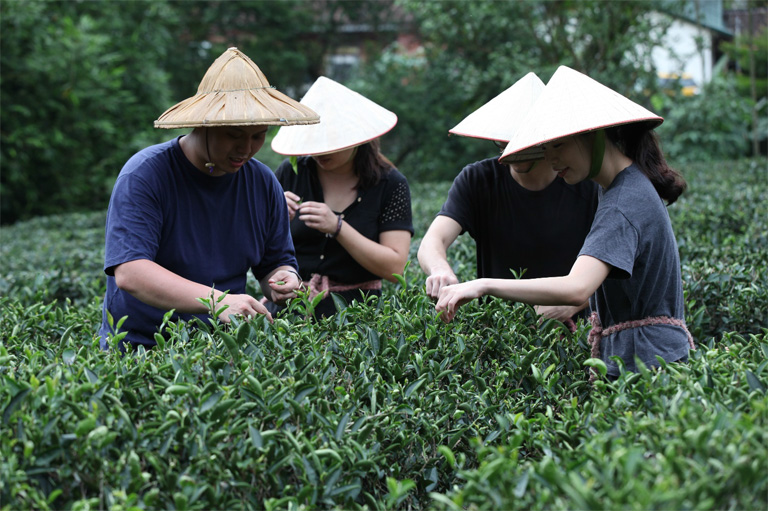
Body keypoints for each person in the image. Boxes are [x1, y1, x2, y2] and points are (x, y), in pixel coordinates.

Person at [436, 66, 695, 379]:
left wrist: (483, 285)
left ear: (593, 134)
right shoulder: (621, 189)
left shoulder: (623, 201)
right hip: (640, 358)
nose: (552, 159)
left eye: (558, 144)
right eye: (545, 148)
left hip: (649, 366)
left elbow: (576, 288)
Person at [98, 47, 319, 351]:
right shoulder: (146, 175)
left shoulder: (263, 182)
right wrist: (218, 302)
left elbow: (276, 261)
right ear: (203, 123)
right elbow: (131, 272)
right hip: (141, 347)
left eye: (258, 135)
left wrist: (283, 279)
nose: (246, 148)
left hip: (221, 349)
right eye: (233, 134)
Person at [418, 72, 599, 326]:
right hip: (500, 337)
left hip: (577, 333)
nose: (510, 151)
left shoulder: (587, 186)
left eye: (522, 143)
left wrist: (575, 302)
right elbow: (432, 241)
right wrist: (439, 269)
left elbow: (620, 269)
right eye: (503, 142)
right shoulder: (478, 179)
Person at [267, 76, 413, 317]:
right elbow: (257, 246)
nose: (320, 150)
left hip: (356, 317)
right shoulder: (291, 172)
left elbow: (395, 268)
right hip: (289, 311)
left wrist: (338, 227)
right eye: (314, 139)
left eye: (331, 141)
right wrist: (272, 215)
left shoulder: (391, 184)